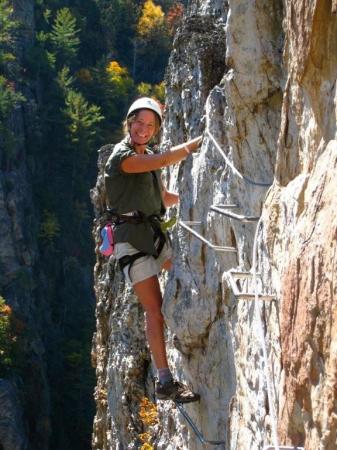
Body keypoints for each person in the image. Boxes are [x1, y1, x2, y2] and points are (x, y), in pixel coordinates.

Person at [104, 97, 202, 403]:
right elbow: (160, 162)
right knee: (154, 310)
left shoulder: (146, 157)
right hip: (131, 242)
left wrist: (193, 195)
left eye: (150, 125)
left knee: (190, 274)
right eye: (138, 123)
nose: (143, 129)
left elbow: (162, 197)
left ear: (155, 129)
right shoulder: (121, 158)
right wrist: (196, 144)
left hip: (151, 234)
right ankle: (164, 380)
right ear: (129, 122)